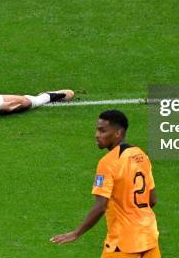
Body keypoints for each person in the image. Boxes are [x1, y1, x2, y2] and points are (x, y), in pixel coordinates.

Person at [51, 110, 161, 257]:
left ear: (118, 133)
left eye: (102, 130)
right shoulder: (141, 155)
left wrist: (76, 233)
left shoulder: (108, 163)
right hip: (149, 237)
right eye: (97, 129)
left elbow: (101, 206)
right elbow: (152, 200)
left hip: (123, 243)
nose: (97, 135)